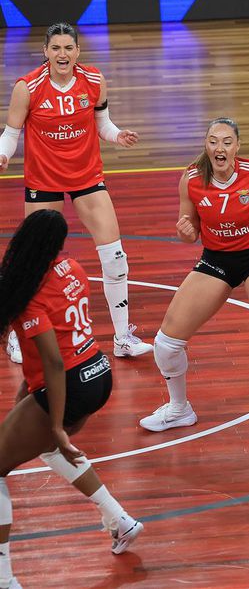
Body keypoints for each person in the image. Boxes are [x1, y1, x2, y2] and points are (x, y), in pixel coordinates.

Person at [138, 118, 249, 456]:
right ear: (206, 145)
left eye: (226, 142)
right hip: (216, 260)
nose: (219, 148)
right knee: (165, 344)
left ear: (237, 146)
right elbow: (189, 228)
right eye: (213, 141)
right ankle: (179, 409)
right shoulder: (191, 179)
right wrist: (185, 232)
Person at [0, 210, 143, 589]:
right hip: (98, 373)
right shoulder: (73, 268)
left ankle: (4, 579)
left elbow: (53, 360)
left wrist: (55, 424)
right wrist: (30, 392)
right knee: (47, 448)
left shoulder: (29, 294)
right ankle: (119, 520)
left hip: (70, 383)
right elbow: (66, 336)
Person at [0, 22, 151, 364]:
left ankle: (123, 338)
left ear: (78, 51)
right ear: (45, 51)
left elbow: (102, 123)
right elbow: (10, 133)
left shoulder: (94, 80)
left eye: (68, 47)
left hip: (86, 176)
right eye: (56, 48)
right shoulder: (27, 87)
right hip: (44, 180)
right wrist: (3, 154)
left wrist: (117, 135)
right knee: (34, 263)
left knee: (115, 258)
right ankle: (17, 338)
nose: (62, 54)